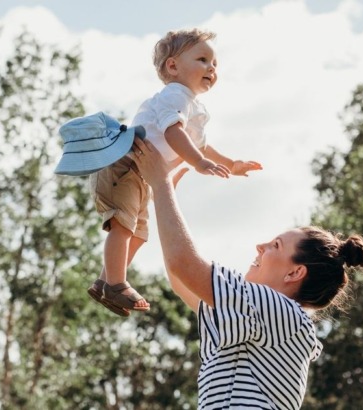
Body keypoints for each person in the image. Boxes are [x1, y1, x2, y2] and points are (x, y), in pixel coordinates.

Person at [129, 136, 363, 409]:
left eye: (275, 245)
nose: (259, 247)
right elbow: (182, 281)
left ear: (295, 272)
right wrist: (163, 199)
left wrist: (161, 183)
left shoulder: (281, 311)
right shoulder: (266, 318)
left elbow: (183, 264)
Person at [87, 28, 262, 317]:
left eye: (215, 64)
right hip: (125, 164)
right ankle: (116, 283)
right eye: (203, 59)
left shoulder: (194, 106)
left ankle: (106, 281)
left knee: (139, 234)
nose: (212, 68)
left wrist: (232, 164)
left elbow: (202, 146)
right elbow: (173, 133)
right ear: (173, 66)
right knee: (123, 226)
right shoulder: (174, 95)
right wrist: (197, 162)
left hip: (142, 174)